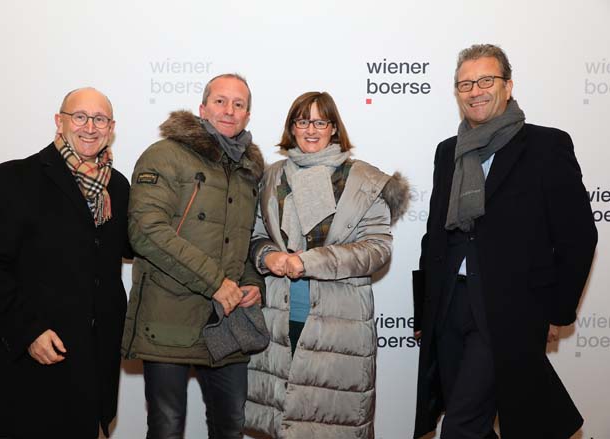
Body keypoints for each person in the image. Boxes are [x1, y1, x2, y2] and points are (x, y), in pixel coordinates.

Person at [413, 44, 598, 439]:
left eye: (486, 80)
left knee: (460, 425)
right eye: (466, 84)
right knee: (473, 421)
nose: (475, 91)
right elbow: (434, 236)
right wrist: (422, 311)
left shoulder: (546, 146)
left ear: (508, 86)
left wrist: (557, 310)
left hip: (509, 309)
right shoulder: (448, 152)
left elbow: (578, 235)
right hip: (449, 305)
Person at [0, 87, 131, 439]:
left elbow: (129, 248)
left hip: (94, 363)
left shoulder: (117, 187)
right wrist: (28, 331)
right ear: (60, 121)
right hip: (38, 355)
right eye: (80, 117)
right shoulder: (16, 177)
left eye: (100, 119)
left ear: (111, 127)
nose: (90, 127)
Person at [244, 91, 409, 438]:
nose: (311, 130)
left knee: (329, 425)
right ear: (292, 127)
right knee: (284, 423)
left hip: (339, 324)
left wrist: (309, 262)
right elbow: (255, 235)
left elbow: (377, 249)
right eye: (303, 121)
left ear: (334, 128)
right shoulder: (272, 177)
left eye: (320, 122)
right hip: (278, 320)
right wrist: (268, 256)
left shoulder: (363, 181)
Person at [122, 73, 266, 439]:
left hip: (227, 321)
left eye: (238, 104)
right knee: (167, 428)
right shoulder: (164, 155)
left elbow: (246, 236)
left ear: (247, 115)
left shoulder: (248, 169)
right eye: (220, 101)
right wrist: (216, 282)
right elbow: (146, 231)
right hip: (169, 318)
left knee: (231, 426)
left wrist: (252, 282)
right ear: (202, 108)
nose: (229, 110)